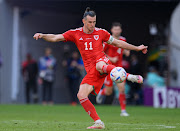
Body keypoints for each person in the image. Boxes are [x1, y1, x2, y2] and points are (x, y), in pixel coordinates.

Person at [33, 7, 147, 129]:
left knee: (99, 65)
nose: (92, 25)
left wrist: (136, 48)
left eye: (94, 22)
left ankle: (129, 76)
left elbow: (118, 43)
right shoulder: (75, 33)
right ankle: (98, 122)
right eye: (90, 22)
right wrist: (42, 35)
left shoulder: (101, 33)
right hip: (92, 72)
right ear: (84, 21)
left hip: (102, 63)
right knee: (81, 95)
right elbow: (56, 37)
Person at [96, 22, 130, 116]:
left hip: (119, 69)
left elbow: (125, 49)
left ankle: (123, 111)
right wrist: (111, 58)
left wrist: (127, 51)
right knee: (109, 91)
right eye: (115, 29)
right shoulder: (108, 40)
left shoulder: (123, 39)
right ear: (112, 30)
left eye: (118, 29)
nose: (117, 31)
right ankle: (102, 92)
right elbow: (101, 53)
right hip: (109, 69)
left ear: (121, 30)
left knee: (122, 89)